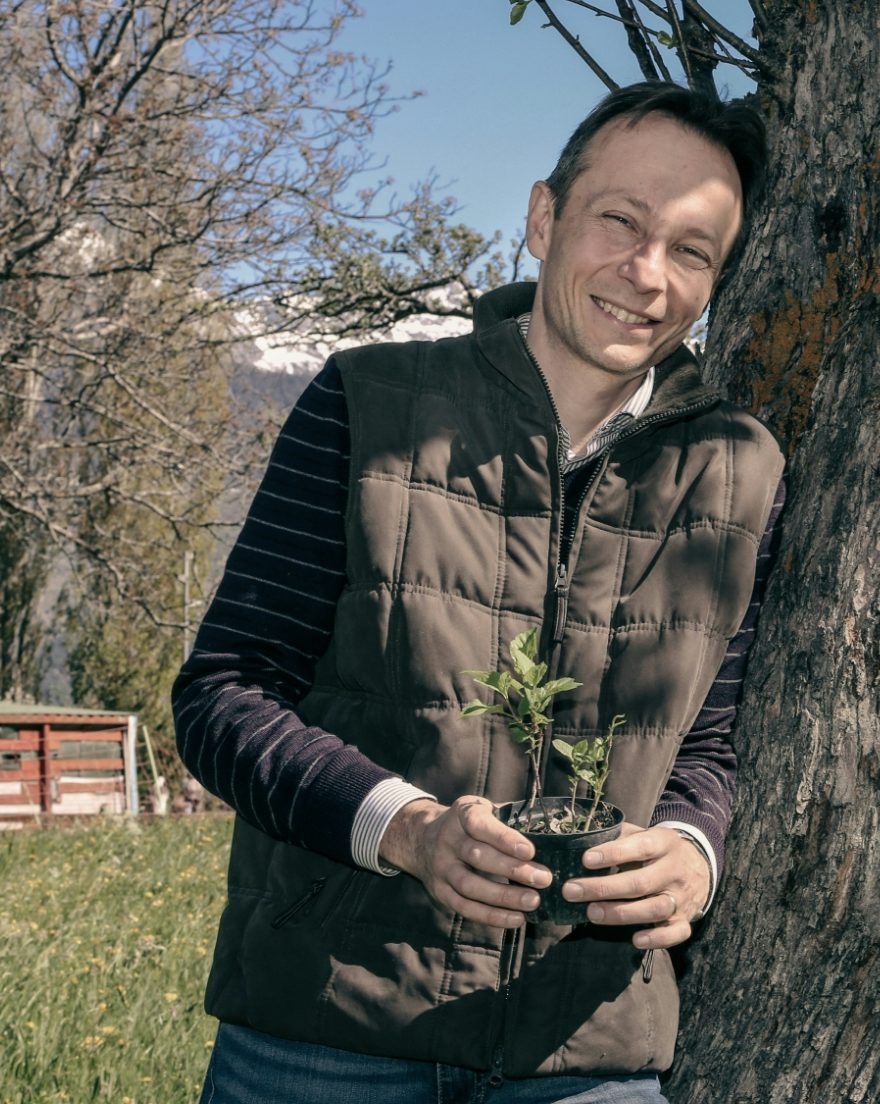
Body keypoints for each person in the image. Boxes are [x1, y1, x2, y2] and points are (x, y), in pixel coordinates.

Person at [172, 81, 785, 1104]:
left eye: (690, 250)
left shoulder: (741, 470)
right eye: (619, 221)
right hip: (328, 1024)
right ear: (544, 218)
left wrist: (691, 854)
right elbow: (224, 692)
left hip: (584, 1046)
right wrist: (406, 830)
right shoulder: (367, 402)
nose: (645, 273)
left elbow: (709, 745)